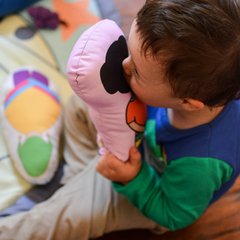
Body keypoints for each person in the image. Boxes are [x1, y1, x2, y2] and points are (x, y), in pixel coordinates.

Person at [0, 0, 240, 239]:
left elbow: (174, 214)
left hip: (152, 187)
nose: (124, 66)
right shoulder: (183, 83)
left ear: (187, 102)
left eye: (136, 71)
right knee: (85, 102)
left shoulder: (201, 163)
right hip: (137, 137)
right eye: (129, 49)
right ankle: (73, 177)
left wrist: (133, 179)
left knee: (60, 217)